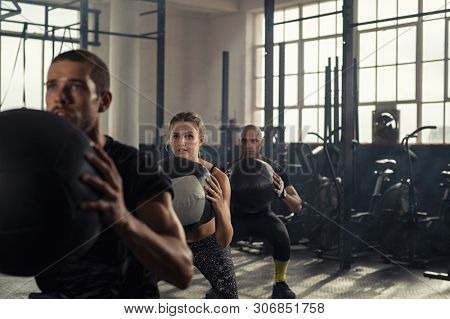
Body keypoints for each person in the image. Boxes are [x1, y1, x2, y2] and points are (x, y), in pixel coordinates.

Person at [31, 49, 193, 298]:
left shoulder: (135, 166)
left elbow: (182, 271)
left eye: (75, 87)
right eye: (52, 86)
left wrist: (122, 217)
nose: (59, 97)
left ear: (104, 101)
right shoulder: (38, 163)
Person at [165, 112, 238, 298]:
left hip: (208, 243)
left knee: (229, 295)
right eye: (176, 136)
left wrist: (220, 208)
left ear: (201, 140)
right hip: (172, 242)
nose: (182, 143)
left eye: (189, 136)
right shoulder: (157, 175)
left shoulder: (218, 178)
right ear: (169, 140)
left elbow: (224, 240)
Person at [231, 124, 302, 299]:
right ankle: (219, 285)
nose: (249, 145)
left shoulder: (274, 169)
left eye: (254, 141)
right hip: (237, 216)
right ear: (241, 143)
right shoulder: (231, 168)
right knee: (217, 240)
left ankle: (280, 284)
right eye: (245, 141)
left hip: (263, 216)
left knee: (282, 237)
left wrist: (283, 193)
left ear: (261, 143)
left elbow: (297, 205)